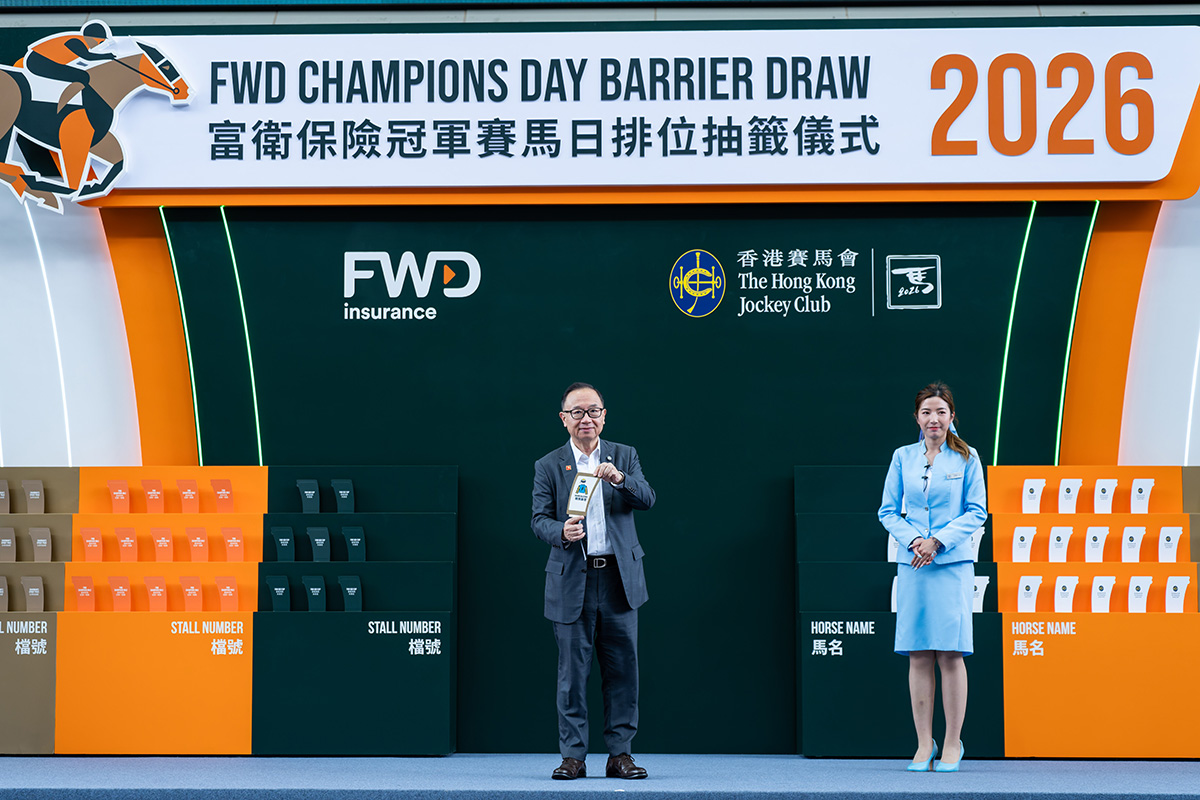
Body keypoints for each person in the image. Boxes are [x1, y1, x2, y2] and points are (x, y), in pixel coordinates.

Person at [531, 382, 655, 780]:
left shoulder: (625, 455)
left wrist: (620, 478)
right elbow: (538, 520)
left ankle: (620, 755)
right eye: (577, 412)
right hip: (572, 580)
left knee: (623, 671)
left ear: (604, 415)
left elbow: (647, 498)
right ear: (563, 418)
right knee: (572, 675)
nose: (586, 419)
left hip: (619, 580)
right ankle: (573, 757)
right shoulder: (548, 465)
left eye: (593, 411)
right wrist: (560, 532)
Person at [878, 382, 986, 773]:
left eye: (941, 412)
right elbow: (888, 511)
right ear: (917, 418)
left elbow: (977, 511)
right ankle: (925, 743)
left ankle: (953, 743)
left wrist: (937, 541)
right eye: (926, 412)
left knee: (951, 653)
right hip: (914, 566)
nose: (933, 419)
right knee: (919, 653)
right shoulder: (902, 457)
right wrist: (915, 542)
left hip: (951, 564)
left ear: (951, 416)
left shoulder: (967, 457)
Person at [23, 21, 116, 114]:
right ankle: (88, 109)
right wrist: (109, 56)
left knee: (83, 75)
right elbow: (87, 57)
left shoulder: (80, 42)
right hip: (37, 61)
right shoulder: (75, 41)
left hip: (44, 60)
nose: (98, 44)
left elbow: (79, 61)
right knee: (83, 76)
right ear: (91, 37)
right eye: (99, 41)